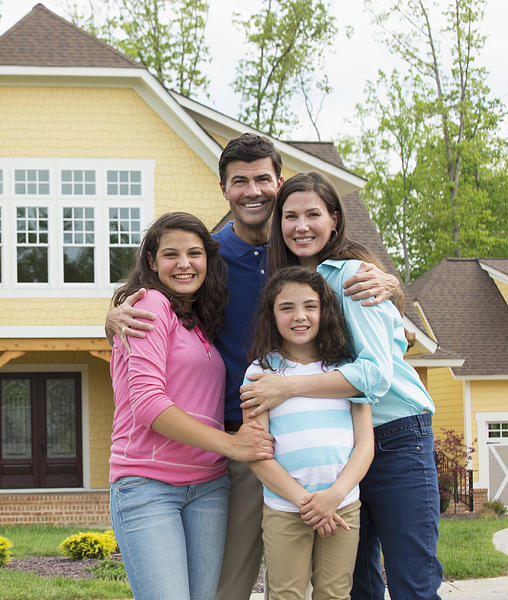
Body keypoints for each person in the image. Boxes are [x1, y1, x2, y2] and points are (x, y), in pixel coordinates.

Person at [106, 133, 401, 600]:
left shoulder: (308, 249)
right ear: (223, 189)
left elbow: (369, 298)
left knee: (336, 581)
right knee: (229, 584)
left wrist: (389, 279)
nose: (253, 190)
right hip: (240, 441)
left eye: (263, 179)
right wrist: (113, 315)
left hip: (324, 437)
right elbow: (164, 307)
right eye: (239, 181)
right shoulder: (210, 256)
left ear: (279, 183)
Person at [240, 171, 442, 600]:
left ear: (334, 219)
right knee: (357, 587)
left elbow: (374, 377)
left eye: (313, 214)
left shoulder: (352, 276)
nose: (301, 226)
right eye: (290, 216)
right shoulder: (293, 283)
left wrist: (288, 388)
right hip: (341, 447)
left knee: (412, 583)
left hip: (393, 437)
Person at [109, 211, 274, 600]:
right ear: (152, 261)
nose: (184, 264)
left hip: (207, 488)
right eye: (171, 254)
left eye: (194, 253)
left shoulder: (197, 321)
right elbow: (148, 404)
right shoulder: (149, 304)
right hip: (150, 485)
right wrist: (232, 445)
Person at [244, 265, 374, 600]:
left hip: (342, 503)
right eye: (286, 307)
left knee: (335, 593)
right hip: (287, 507)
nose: (299, 316)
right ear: (272, 316)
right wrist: (307, 503)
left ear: (324, 311)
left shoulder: (347, 369)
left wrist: (332, 498)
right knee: (287, 594)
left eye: (310, 306)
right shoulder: (260, 373)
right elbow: (257, 453)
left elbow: (364, 446)